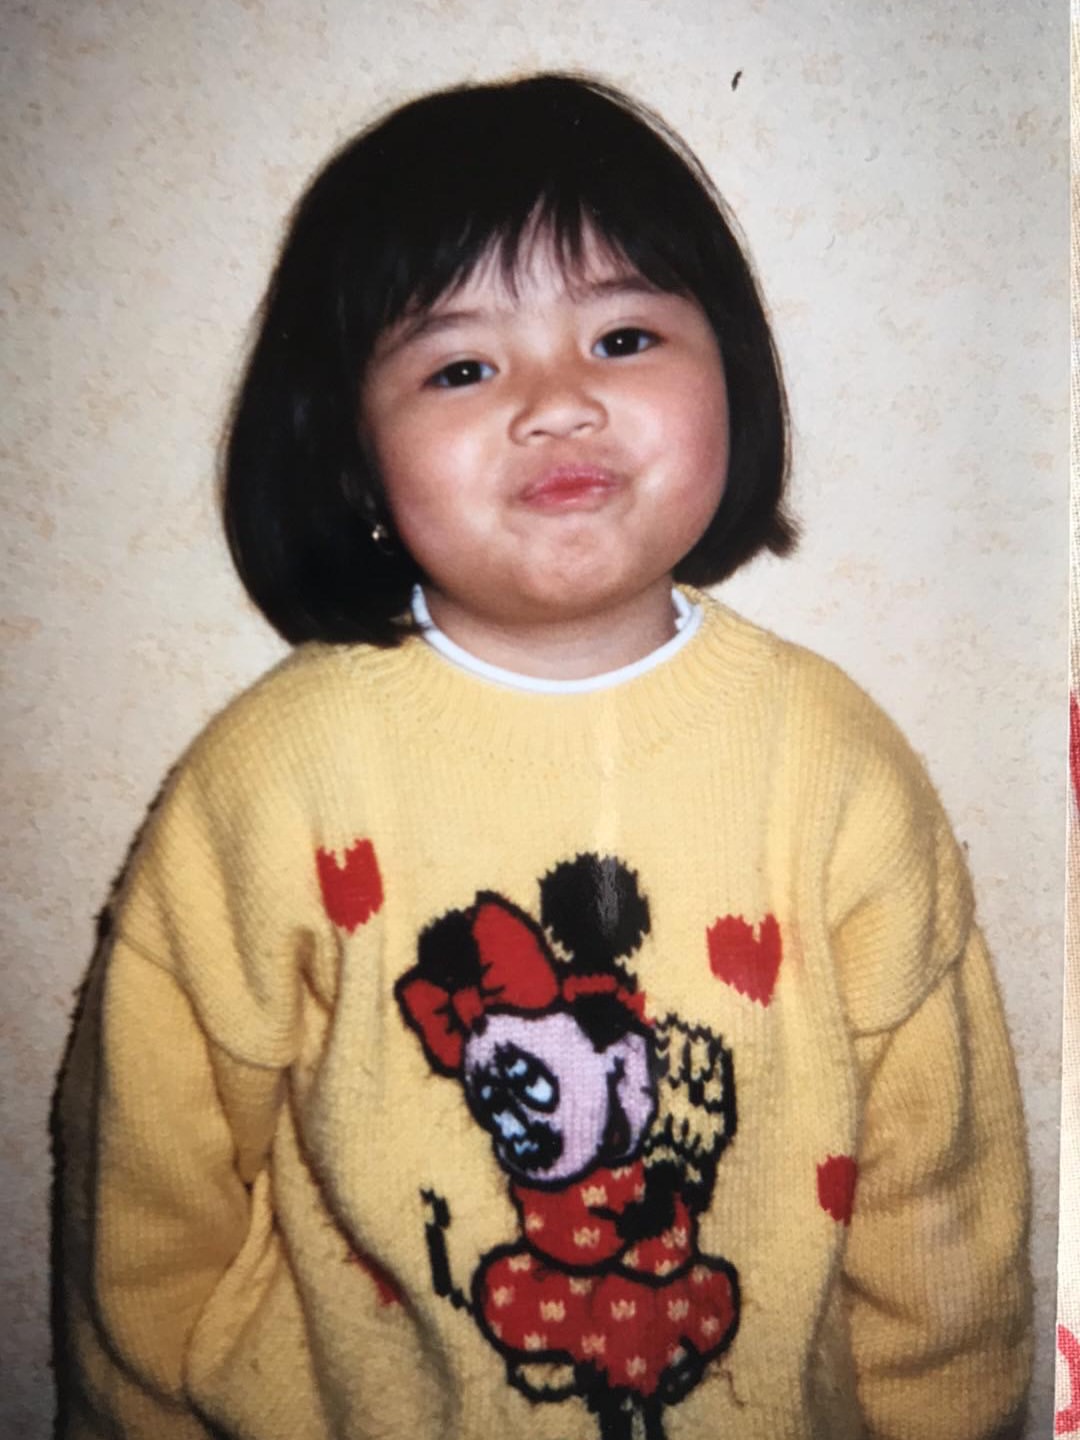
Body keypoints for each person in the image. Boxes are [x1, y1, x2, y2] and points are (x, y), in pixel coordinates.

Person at [53, 73, 1032, 1440]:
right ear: (353, 455)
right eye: (461, 367)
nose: (557, 403)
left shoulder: (838, 772)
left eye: (623, 337)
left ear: (736, 377)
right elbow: (151, 1189)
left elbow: (941, 1200)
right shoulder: (267, 784)